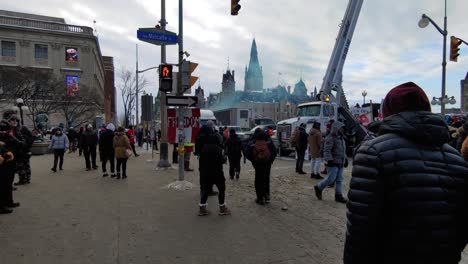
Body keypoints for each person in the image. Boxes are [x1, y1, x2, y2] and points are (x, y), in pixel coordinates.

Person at [344, 82, 468, 264]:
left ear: (388, 112)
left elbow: (360, 227)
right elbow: (463, 225)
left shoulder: (372, 152)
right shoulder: (456, 159)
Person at [198, 128, 231, 216]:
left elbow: (201, 161)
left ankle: (202, 208)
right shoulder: (218, 149)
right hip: (217, 172)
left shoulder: (203, 149)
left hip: (206, 172)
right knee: (221, 189)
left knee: (205, 189)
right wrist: (224, 158)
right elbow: (222, 160)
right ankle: (222, 208)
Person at [313, 121, 348, 203]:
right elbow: (326, 150)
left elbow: (343, 151)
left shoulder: (341, 138)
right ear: (336, 128)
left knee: (339, 180)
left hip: (340, 162)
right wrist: (329, 160)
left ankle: (338, 196)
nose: (342, 130)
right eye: (341, 128)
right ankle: (318, 187)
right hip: (333, 162)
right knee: (331, 179)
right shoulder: (330, 137)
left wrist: (345, 159)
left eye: (343, 128)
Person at [245, 128, 277, 205]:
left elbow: (247, 153)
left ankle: (260, 199)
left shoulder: (253, 141)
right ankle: (267, 196)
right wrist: (270, 161)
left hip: (258, 164)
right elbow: (274, 151)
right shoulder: (268, 139)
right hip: (267, 163)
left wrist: (254, 161)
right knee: (266, 179)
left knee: (258, 180)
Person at [0, 118, 24, 211]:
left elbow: (21, 144)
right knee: (2, 185)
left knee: (8, 184)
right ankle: (2, 206)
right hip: (3, 163)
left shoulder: (11, 134)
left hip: (10, 161)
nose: (3, 132)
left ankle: (8, 202)